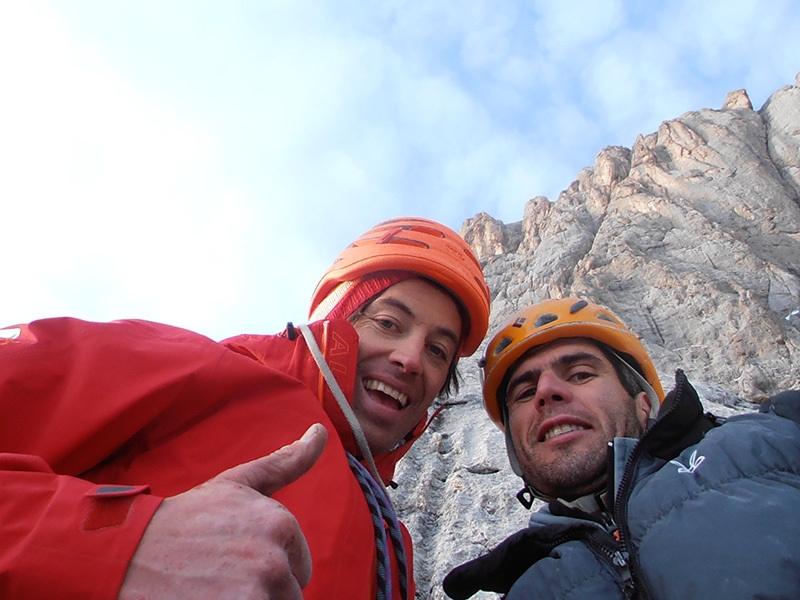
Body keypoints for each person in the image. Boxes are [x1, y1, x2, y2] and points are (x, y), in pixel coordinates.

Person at [0, 216, 491, 600]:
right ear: (335, 323)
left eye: (437, 352)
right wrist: (118, 546)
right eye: (388, 322)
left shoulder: (390, 540)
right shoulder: (204, 370)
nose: (410, 358)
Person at [443, 297, 800, 600]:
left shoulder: (774, 440)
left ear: (644, 403)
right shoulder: (530, 581)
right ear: (515, 453)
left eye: (580, 374)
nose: (546, 392)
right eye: (523, 393)